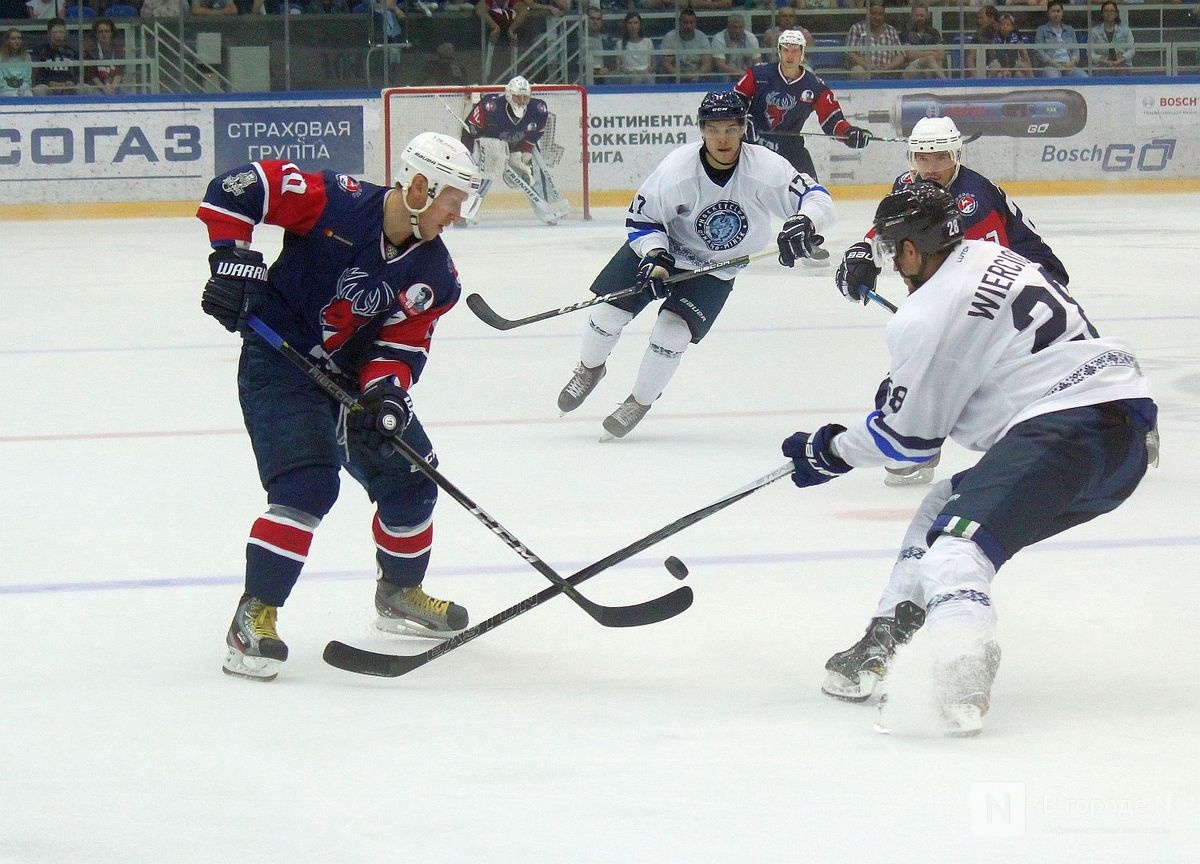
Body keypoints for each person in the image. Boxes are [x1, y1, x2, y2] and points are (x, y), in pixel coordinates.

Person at [784, 182, 1155, 736]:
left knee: (957, 552)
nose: (892, 264)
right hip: (1124, 434)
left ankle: (962, 674)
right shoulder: (993, 254)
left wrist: (828, 450)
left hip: (1067, 430)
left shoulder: (924, 318)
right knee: (945, 505)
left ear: (911, 250)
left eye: (892, 250)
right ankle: (882, 639)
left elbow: (909, 444)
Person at [195, 133, 483, 681]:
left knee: (412, 479)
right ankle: (252, 618)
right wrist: (231, 260)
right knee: (307, 487)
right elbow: (239, 188)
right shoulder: (337, 201)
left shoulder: (436, 276)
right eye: (452, 201)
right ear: (420, 186)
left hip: (350, 381)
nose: (456, 216)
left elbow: (401, 346)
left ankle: (399, 592)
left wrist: (385, 394)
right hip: (282, 363)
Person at [556, 91, 836, 441]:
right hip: (664, 250)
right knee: (607, 315)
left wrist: (805, 222)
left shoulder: (765, 167)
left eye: (731, 129)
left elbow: (817, 198)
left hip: (717, 267)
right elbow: (641, 221)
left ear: (743, 129)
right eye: (714, 129)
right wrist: (656, 258)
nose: (722, 138)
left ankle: (639, 400)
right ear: (701, 129)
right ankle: (590, 369)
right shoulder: (676, 170)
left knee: (671, 333)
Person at [835, 115, 1070, 486]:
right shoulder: (907, 185)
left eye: (940, 158)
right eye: (922, 159)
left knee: (1020, 365)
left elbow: (989, 272)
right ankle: (919, 434)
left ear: (956, 156)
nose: (931, 168)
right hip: (982, 281)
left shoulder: (972, 201)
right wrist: (864, 252)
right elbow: (892, 230)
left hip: (1031, 276)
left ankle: (1108, 415)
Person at [734, 29, 873, 181]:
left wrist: (849, 133)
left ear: (802, 53)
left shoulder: (815, 86)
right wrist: (743, 121)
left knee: (813, 193)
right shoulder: (758, 74)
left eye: (795, 51)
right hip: (754, 146)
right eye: (786, 50)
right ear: (779, 51)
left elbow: (831, 120)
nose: (790, 55)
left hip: (790, 149)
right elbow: (734, 103)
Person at [459, 75, 566, 224]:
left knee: (534, 168)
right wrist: (471, 154)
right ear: (509, 95)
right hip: (491, 142)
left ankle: (546, 207)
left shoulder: (538, 109)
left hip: (518, 144)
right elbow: (469, 130)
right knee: (486, 170)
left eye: (525, 98)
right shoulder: (491, 106)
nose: (522, 102)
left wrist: (527, 150)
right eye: (518, 97)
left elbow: (537, 132)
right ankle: (466, 211)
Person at [845, 0, 906, 81]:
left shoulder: (891, 30)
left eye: (880, 14)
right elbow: (850, 53)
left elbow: (901, 55)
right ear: (868, 13)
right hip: (865, 71)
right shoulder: (857, 28)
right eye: (874, 13)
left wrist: (888, 68)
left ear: (884, 15)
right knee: (857, 71)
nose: (877, 17)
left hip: (888, 72)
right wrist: (869, 66)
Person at [32, 19, 86, 95]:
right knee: (39, 90)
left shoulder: (73, 52)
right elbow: (36, 75)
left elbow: (79, 73)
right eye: (54, 32)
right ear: (49, 34)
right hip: (48, 86)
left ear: (66, 34)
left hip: (68, 86)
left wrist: (72, 82)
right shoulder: (40, 51)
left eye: (61, 32)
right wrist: (50, 83)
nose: (58, 35)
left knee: (85, 88)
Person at [1035, 0, 1087, 78]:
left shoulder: (1070, 29)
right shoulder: (1041, 30)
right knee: (1053, 77)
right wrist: (1053, 63)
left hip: (1068, 65)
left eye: (1058, 11)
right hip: (1051, 66)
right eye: (1053, 11)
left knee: (1083, 76)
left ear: (1062, 13)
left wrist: (1072, 62)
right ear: (1048, 13)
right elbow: (1039, 51)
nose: (1056, 14)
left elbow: (1076, 50)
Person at [660, 7, 713, 83]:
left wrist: (697, 74)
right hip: (675, 79)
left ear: (695, 23)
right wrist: (681, 76)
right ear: (679, 23)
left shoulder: (702, 37)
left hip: (698, 78)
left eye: (691, 23)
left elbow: (707, 63)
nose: (689, 26)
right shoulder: (670, 38)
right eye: (685, 22)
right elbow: (666, 64)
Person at [1088, 0, 1135, 75]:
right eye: (1106, 11)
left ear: (1116, 14)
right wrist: (1105, 62)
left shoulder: (1125, 30)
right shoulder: (1094, 32)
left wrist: (1120, 61)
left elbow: (1132, 50)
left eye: (1112, 11)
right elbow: (1090, 53)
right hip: (1101, 67)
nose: (1109, 13)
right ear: (1102, 14)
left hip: (1122, 65)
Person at [900, 1, 945, 79]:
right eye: (917, 16)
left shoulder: (933, 32)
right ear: (912, 16)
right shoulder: (906, 33)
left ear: (927, 16)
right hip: (911, 69)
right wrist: (930, 53)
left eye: (922, 16)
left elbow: (941, 54)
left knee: (928, 71)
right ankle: (946, 82)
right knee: (930, 59)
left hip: (930, 68)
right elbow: (910, 55)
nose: (919, 18)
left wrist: (918, 53)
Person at [711, 12, 762, 78]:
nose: (737, 30)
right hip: (725, 75)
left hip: (747, 74)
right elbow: (720, 65)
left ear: (744, 27)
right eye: (734, 27)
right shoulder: (719, 38)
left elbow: (757, 61)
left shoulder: (751, 38)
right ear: (728, 27)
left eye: (740, 27)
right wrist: (740, 73)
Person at [612, 10, 655, 84]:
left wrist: (647, 71)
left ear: (640, 24)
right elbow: (618, 67)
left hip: (646, 74)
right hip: (628, 75)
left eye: (635, 23)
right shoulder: (620, 44)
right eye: (630, 23)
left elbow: (653, 64)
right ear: (626, 25)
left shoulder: (648, 42)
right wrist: (629, 72)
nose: (633, 26)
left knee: (648, 78)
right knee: (636, 79)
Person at [85, 17, 123, 94]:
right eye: (100, 32)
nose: (104, 34)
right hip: (96, 86)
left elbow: (119, 72)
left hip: (114, 86)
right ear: (96, 34)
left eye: (107, 31)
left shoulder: (118, 50)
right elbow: (93, 75)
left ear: (111, 33)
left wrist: (112, 88)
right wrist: (105, 89)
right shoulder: (89, 51)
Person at [989, 12, 1032, 78]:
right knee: (999, 75)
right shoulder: (994, 39)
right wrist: (1003, 70)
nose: (1005, 26)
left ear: (1012, 27)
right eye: (1003, 24)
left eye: (1008, 24)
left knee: (1020, 74)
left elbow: (1025, 56)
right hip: (999, 67)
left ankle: (1032, 81)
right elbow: (992, 57)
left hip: (1014, 65)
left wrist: (1029, 70)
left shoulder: (1017, 39)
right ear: (999, 26)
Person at [964, 4, 998, 79]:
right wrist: (978, 79)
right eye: (978, 18)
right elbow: (970, 59)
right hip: (986, 73)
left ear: (991, 18)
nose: (979, 21)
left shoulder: (1004, 32)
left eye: (981, 18)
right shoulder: (978, 36)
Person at [584, 5, 613, 84]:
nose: (595, 21)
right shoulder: (576, 40)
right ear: (585, 20)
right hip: (583, 77)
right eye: (592, 18)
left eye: (598, 19)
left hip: (603, 76)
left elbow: (612, 62)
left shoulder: (606, 40)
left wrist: (607, 69)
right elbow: (572, 66)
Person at [1, 28, 34, 97]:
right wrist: (13, 91)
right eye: (13, 39)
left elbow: (27, 79)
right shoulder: (0, 57)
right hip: (4, 90)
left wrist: (22, 89)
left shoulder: (27, 57)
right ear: (7, 41)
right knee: (14, 95)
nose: (17, 41)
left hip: (23, 90)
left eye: (19, 38)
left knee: (29, 95)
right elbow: (1, 82)